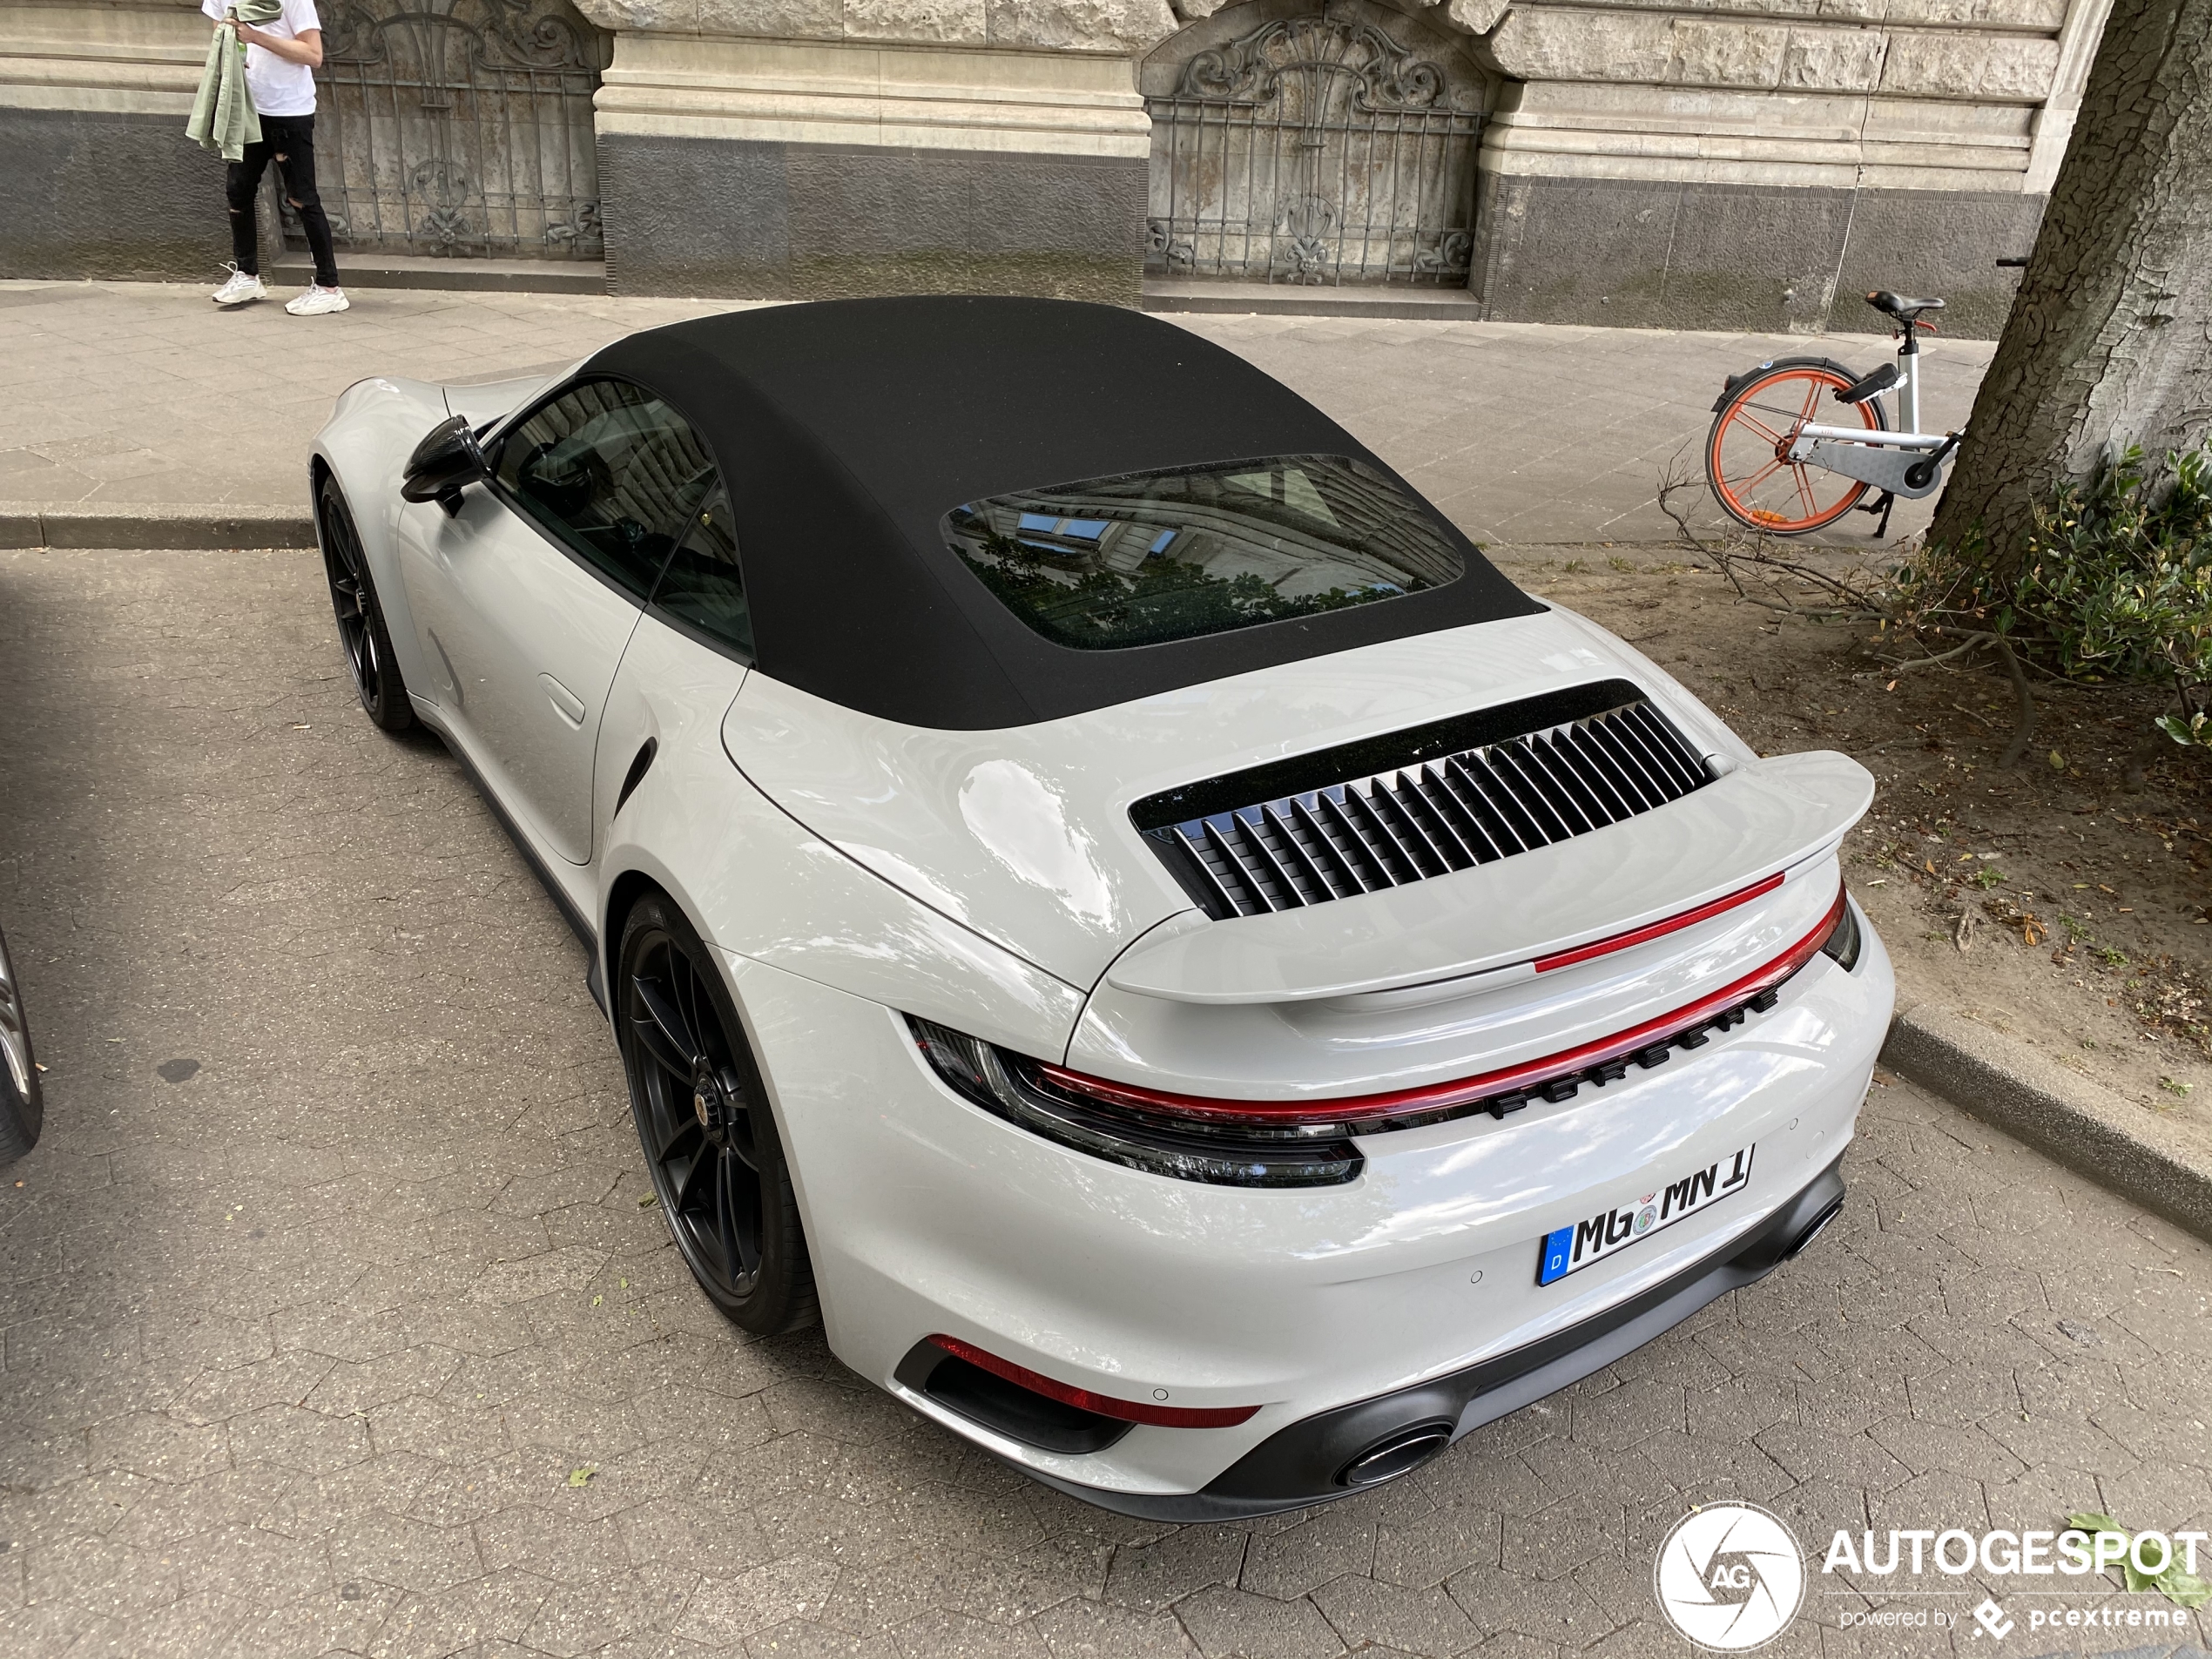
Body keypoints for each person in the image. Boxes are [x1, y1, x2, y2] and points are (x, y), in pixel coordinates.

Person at [202, 0, 348, 315]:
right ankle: (247, 275)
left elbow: (313, 55)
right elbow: (219, 41)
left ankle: (329, 287)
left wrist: (256, 37)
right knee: (237, 190)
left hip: (289, 111)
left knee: (303, 199)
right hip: (246, 109)